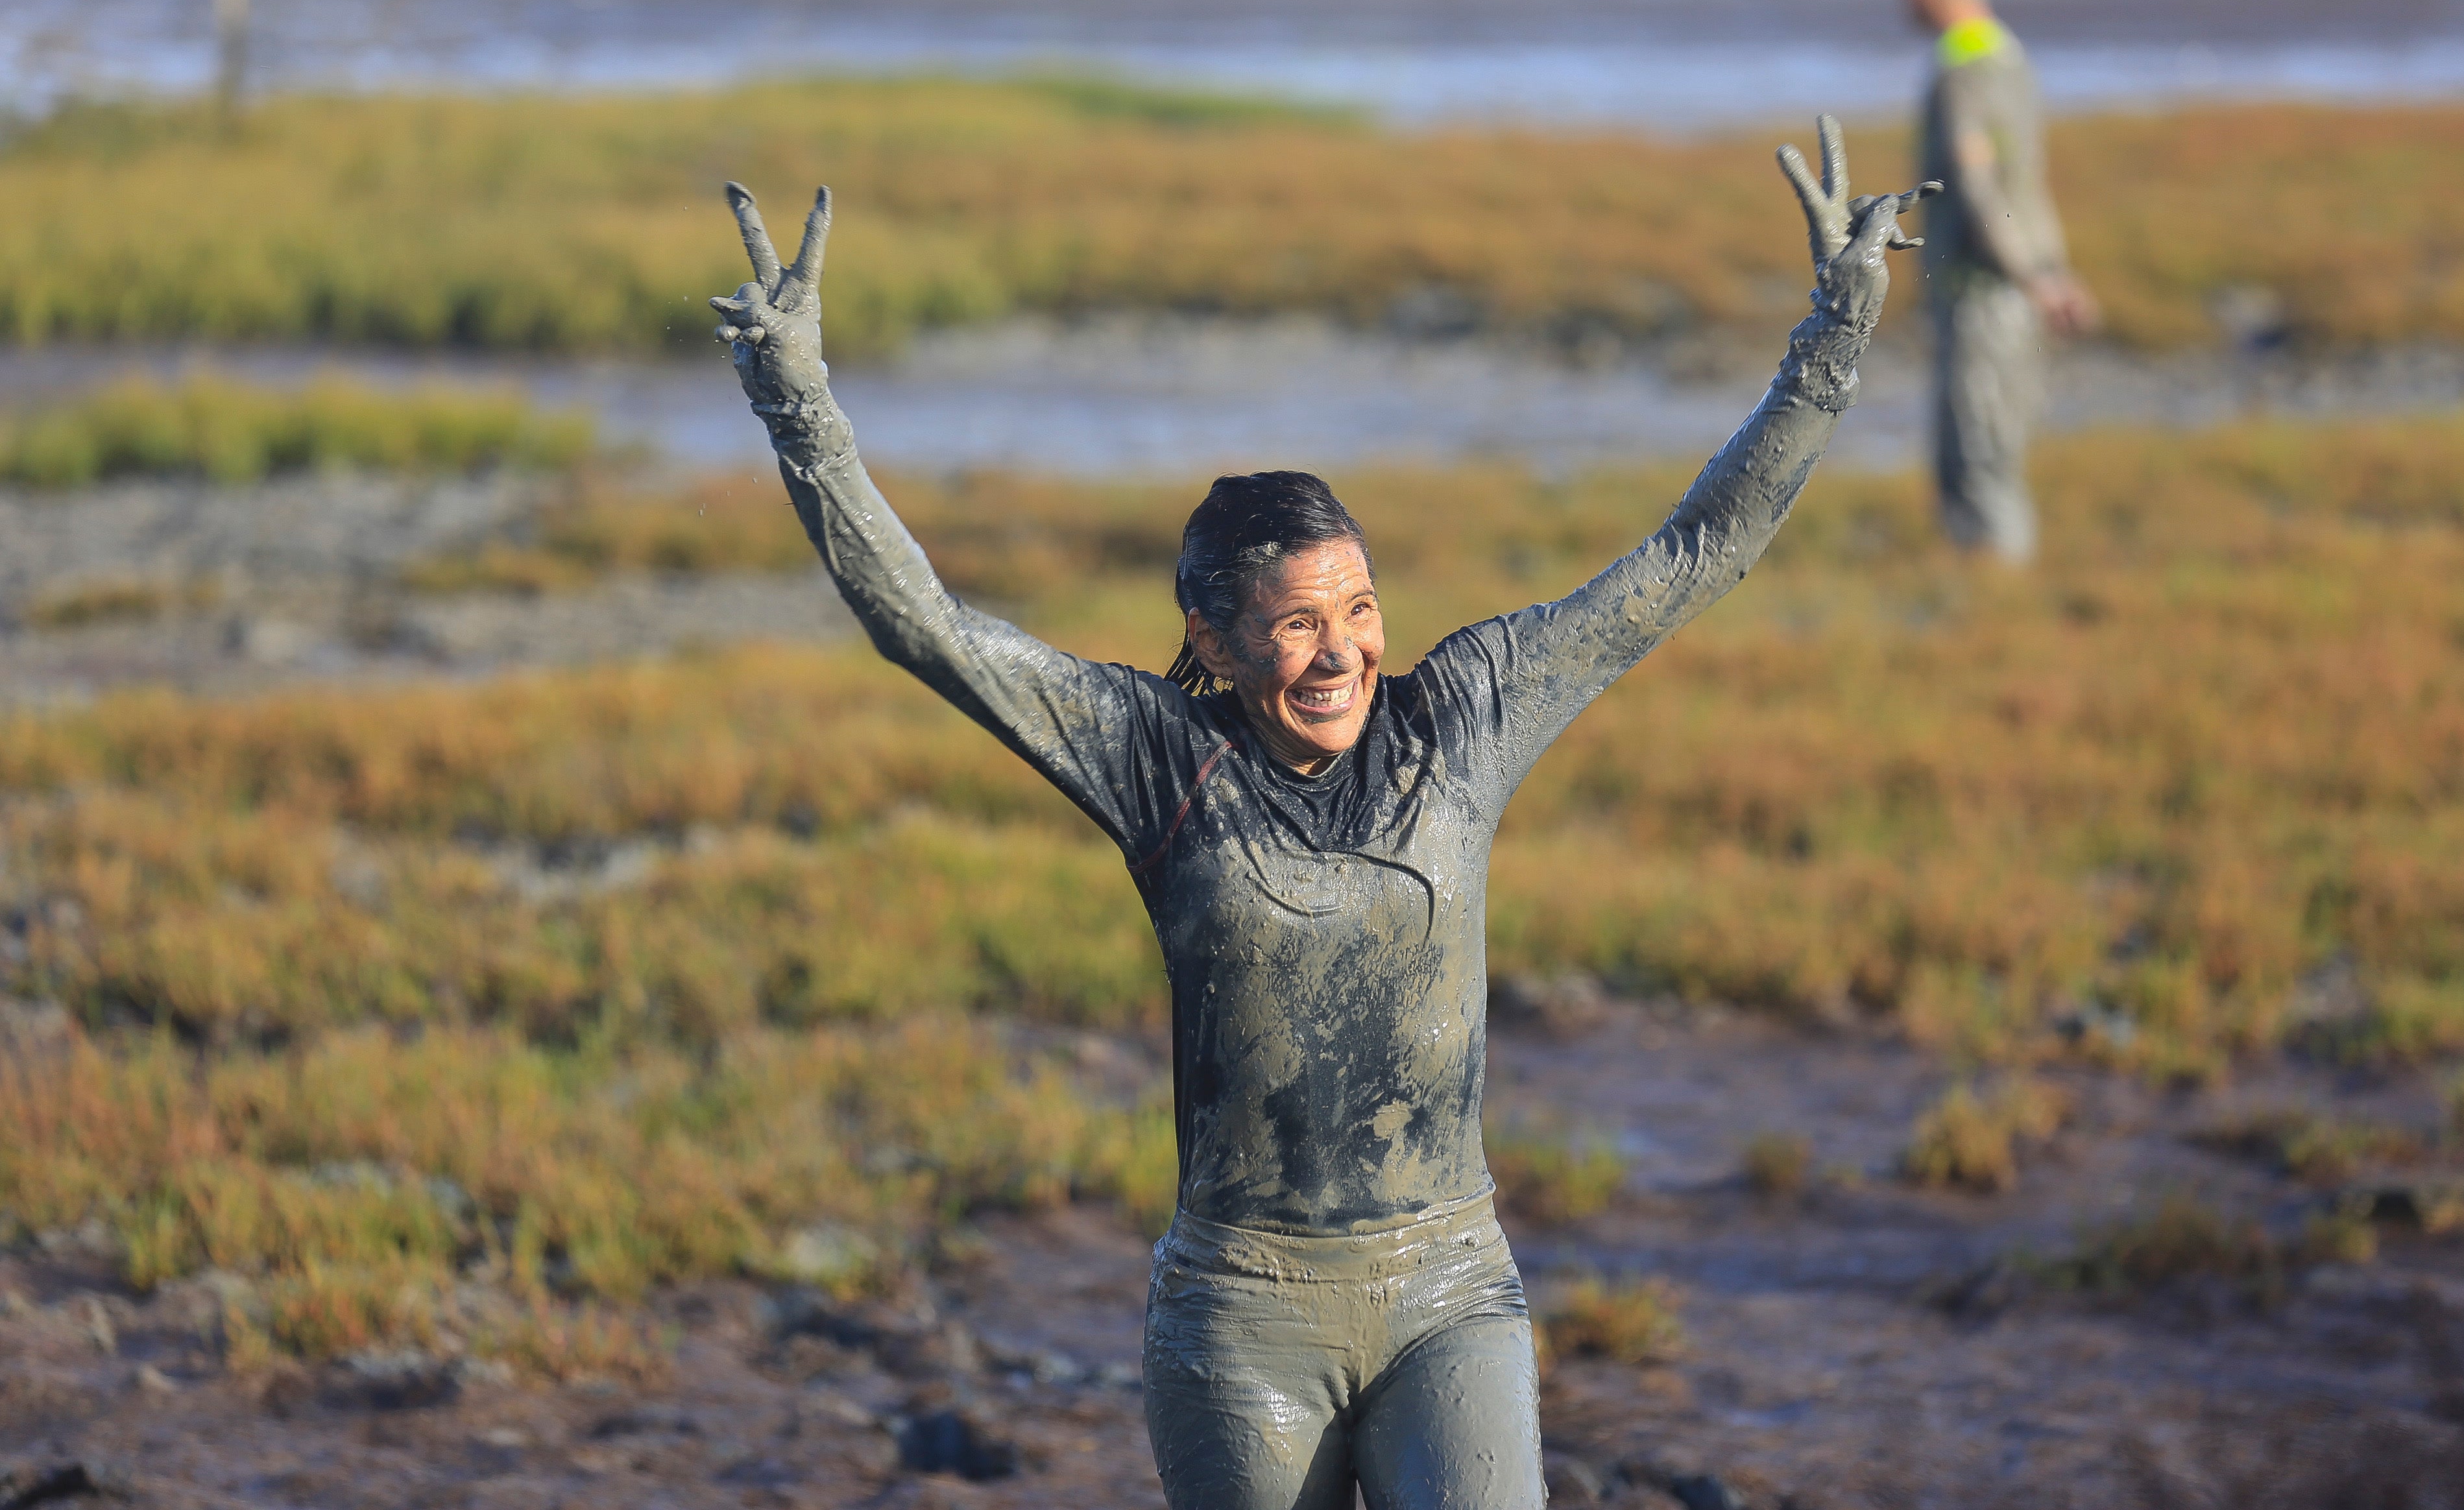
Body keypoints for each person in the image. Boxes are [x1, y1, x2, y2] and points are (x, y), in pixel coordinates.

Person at [708, 120, 1930, 1510]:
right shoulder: (1156, 754)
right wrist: (797, 402)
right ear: (1215, 642)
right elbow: (926, 627)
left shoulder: (1465, 714)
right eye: (1296, 622)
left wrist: (1836, 333)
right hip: (1243, 1310)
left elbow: (1696, 551)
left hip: (1449, 1285)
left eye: (1357, 608)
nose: (1343, 649)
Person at [1902, 0, 2097, 564]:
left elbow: (1983, 191)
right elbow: (2028, 190)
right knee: (1992, 466)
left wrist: (2037, 281)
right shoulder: (2007, 53)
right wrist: (2052, 274)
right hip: (2018, 290)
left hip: (1987, 299)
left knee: (1979, 474)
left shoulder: (1962, 68)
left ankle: (1995, 623)